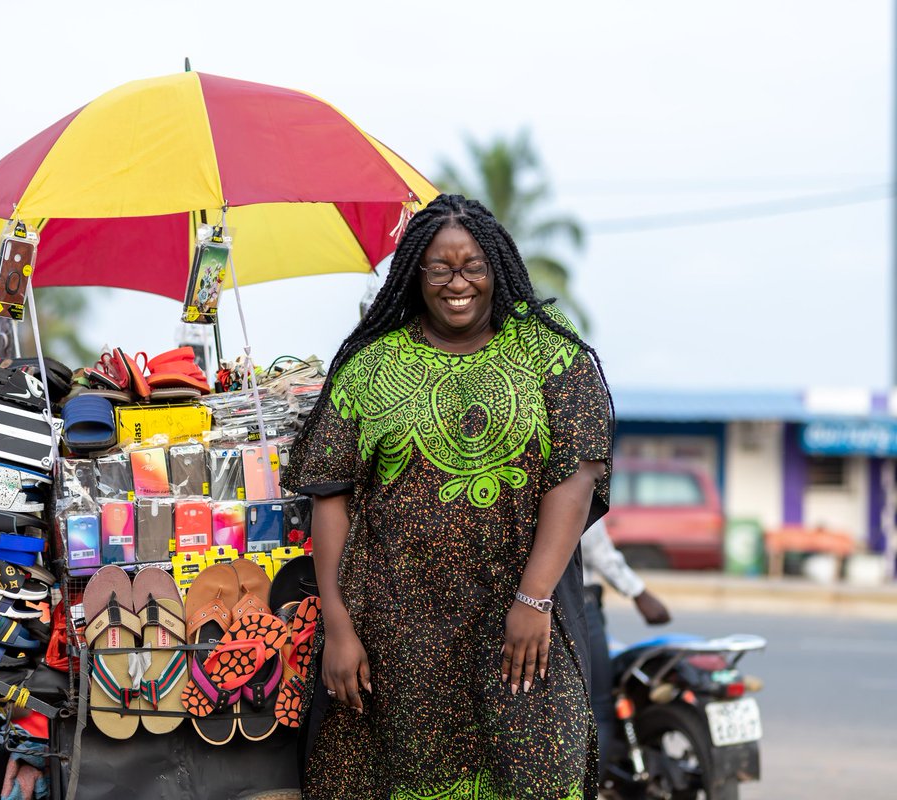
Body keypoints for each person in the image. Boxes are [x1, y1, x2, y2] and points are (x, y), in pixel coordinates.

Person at [282, 194, 613, 799]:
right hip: (397, 635)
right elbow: (330, 495)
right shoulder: (371, 366)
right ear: (416, 274)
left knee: (537, 773)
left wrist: (533, 599)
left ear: (497, 270)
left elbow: (577, 476)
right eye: (440, 268)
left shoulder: (549, 356)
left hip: (519, 623)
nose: (458, 283)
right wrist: (339, 625)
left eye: (473, 267)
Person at [581, 518, 671, 779]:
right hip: (575, 602)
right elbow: (597, 549)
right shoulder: (573, 479)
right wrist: (639, 593)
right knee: (598, 708)